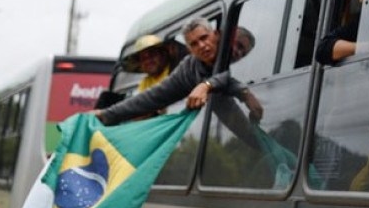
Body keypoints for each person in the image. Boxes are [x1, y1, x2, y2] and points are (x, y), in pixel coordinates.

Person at [95, 18, 264, 127]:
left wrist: (209, 86)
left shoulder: (230, 65)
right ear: (190, 49)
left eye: (204, 38)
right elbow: (150, 98)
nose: (202, 46)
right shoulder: (188, 69)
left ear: (215, 36)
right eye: (195, 44)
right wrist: (106, 114)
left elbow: (224, 77)